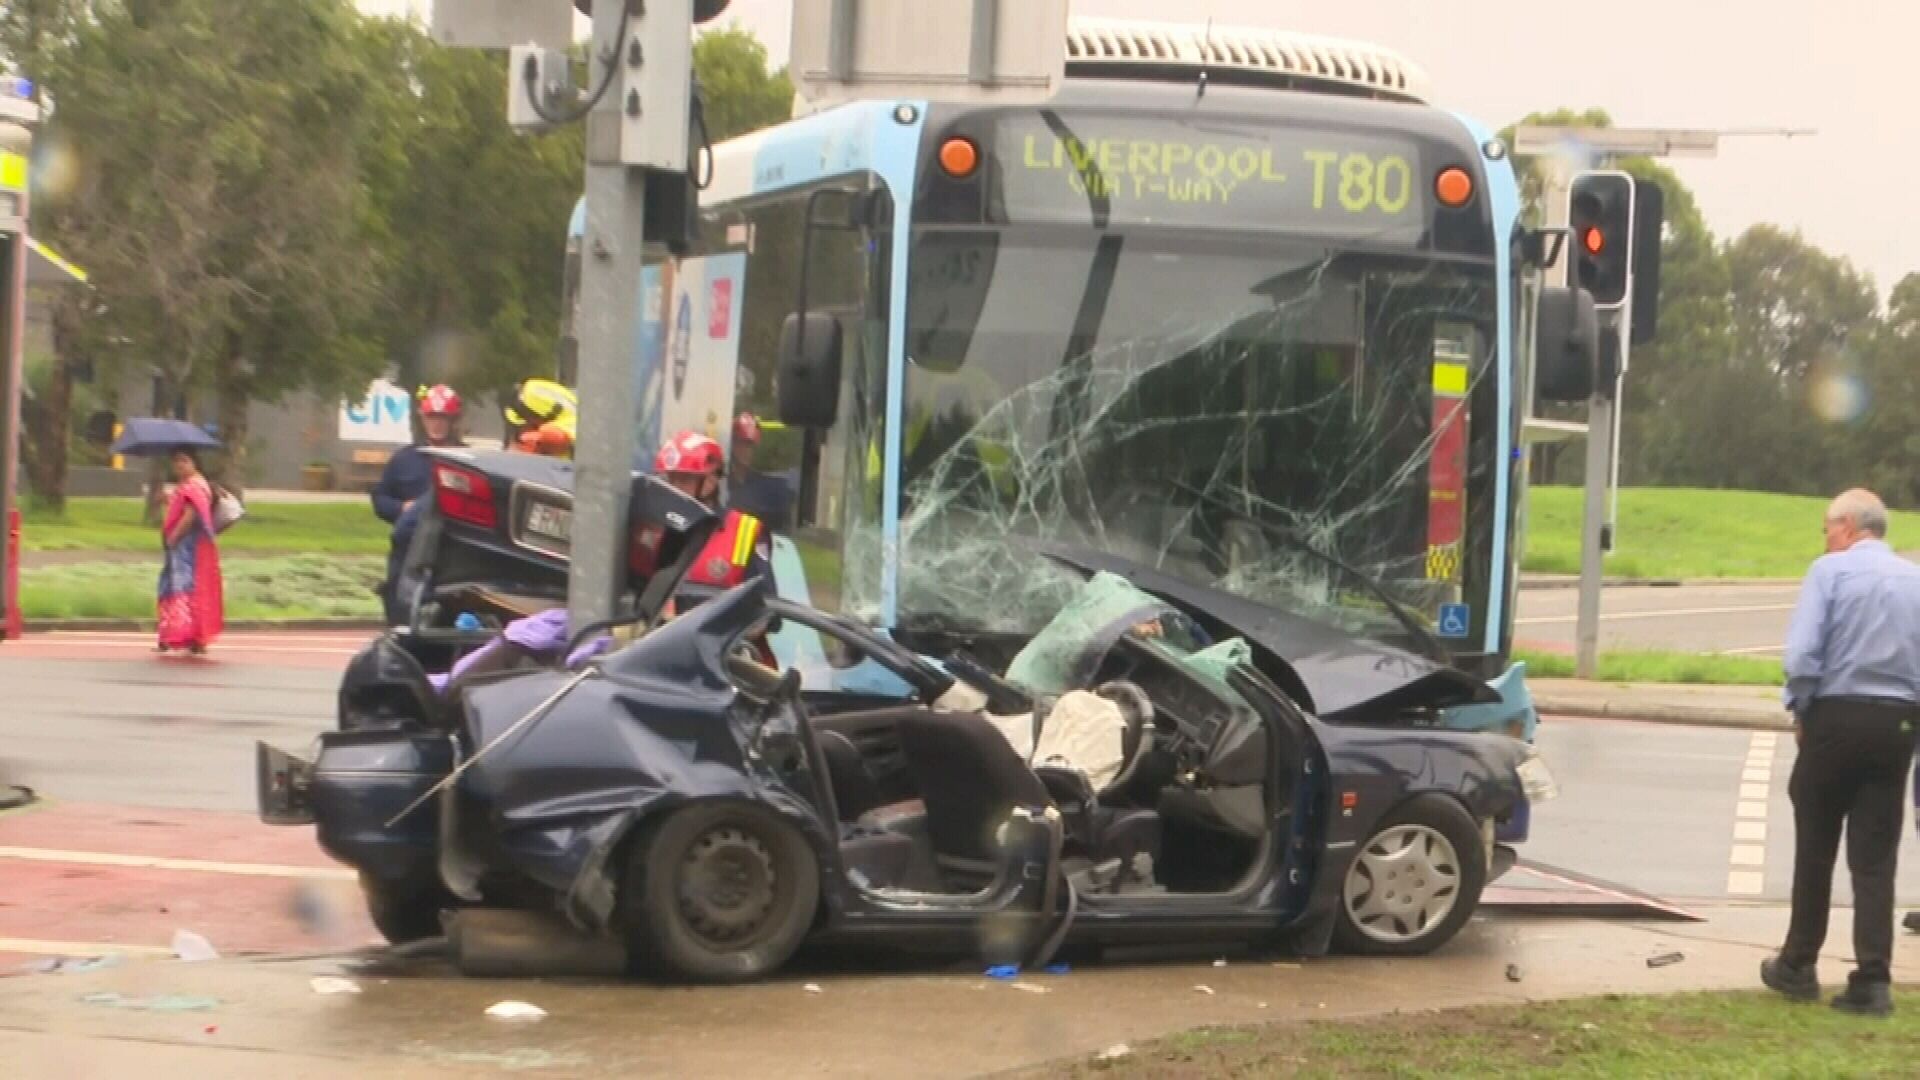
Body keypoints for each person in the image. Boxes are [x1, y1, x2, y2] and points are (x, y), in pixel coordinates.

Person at [1761, 488, 1920, 1018]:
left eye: (1828, 526)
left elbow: (1804, 654)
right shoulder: (1914, 578)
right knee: (1875, 857)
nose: (1826, 536)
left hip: (1836, 716)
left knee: (1817, 841)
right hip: (1896, 723)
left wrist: (1802, 709)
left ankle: (1799, 963)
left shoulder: (1829, 572)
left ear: (1849, 526)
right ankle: (1872, 980)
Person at [372, 384, 462, 626]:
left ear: (453, 421)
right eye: (433, 417)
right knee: (399, 604)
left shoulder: (467, 461)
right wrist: (401, 509)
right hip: (407, 551)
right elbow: (380, 499)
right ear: (423, 419)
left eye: (443, 418)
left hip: (451, 550)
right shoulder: (404, 459)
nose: (437, 424)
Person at [155, 448, 224, 656]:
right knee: (179, 587)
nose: (179, 465)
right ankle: (180, 636)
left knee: (183, 588)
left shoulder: (194, 485)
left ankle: (186, 636)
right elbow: (181, 507)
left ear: (195, 463)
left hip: (188, 547)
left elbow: (190, 515)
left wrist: (175, 536)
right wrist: (168, 499)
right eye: (176, 461)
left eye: (184, 461)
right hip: (185, 546)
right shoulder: (188, 485)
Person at [725, 412, 794, 530]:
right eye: (740, 443)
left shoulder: (765, 487)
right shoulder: (723, 480)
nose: (745, 450)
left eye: (750, 445)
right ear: (732, 443)